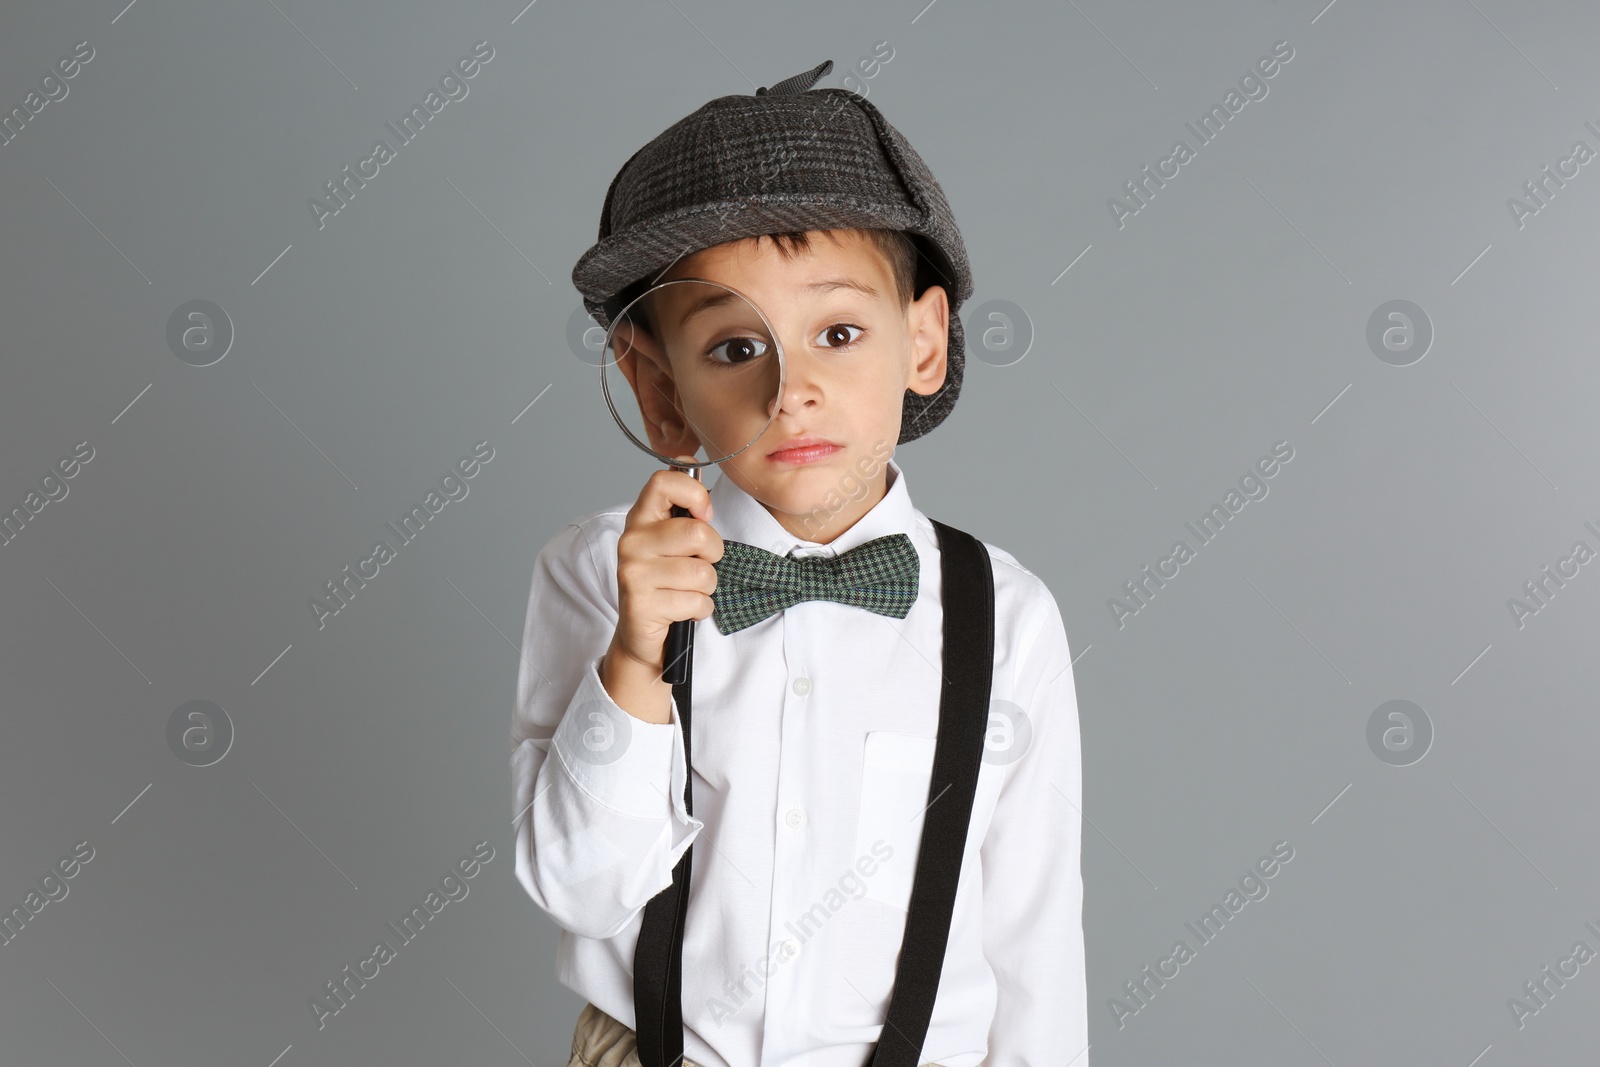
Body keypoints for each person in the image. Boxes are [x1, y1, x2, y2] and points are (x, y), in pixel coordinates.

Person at [511, 60, 1088, 1067]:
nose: (792, 389)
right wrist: (635, 658)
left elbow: (1034, 937)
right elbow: (580, 885)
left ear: (923, 342)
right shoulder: (598, 569)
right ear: (658, 388)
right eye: (736, 347)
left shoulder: (1008, 614)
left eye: (838, 332)